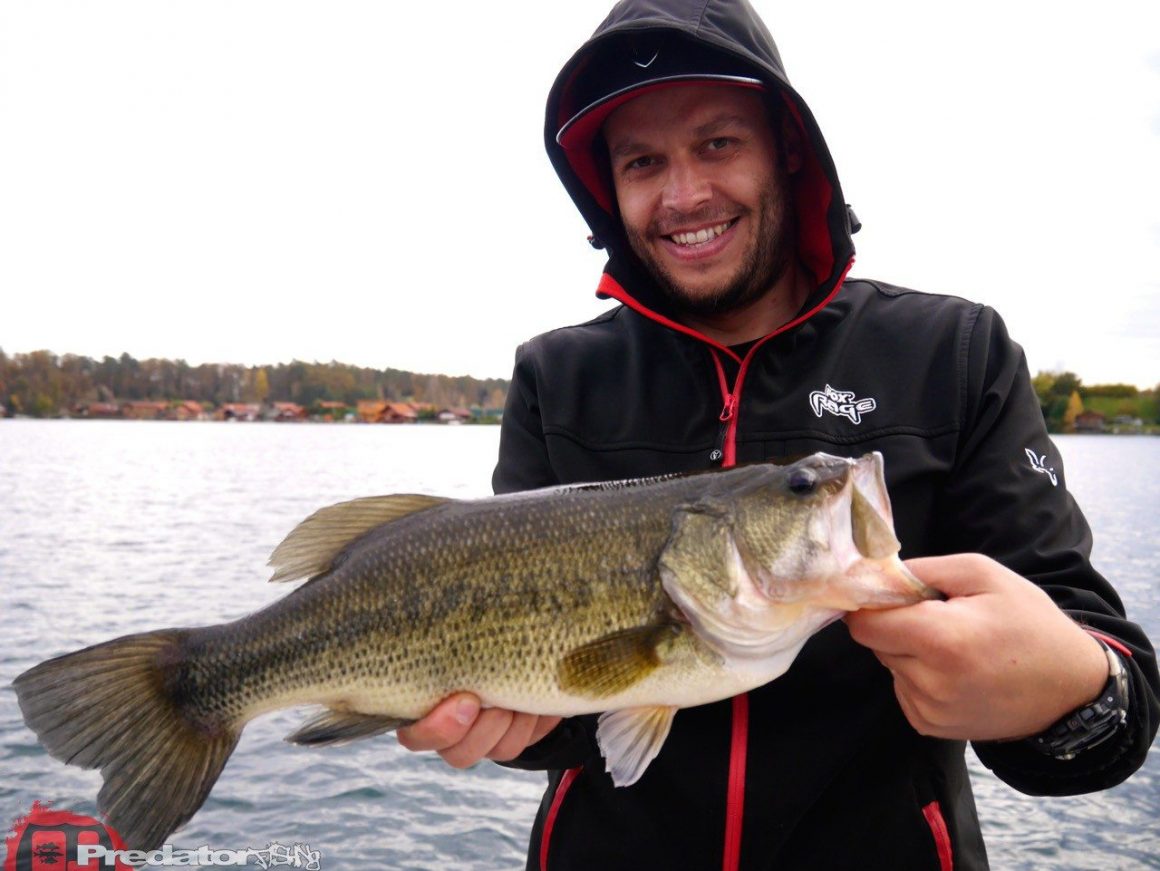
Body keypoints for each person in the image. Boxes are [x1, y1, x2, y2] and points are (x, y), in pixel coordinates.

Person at [397, 1, 1160, 868]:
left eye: (718, 143)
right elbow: (573, 724)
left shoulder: (954, 353)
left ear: (788, 150)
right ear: (608, 188)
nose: (684, 195)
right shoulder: (554, 376)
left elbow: (1115, 707)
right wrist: (515, 728)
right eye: (643, 161)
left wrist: (1065, 689)